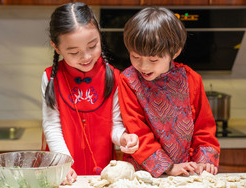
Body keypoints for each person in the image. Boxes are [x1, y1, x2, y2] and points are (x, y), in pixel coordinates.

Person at [41, 2, 139, 184]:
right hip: (64, 169)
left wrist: (124, 138)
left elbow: (114, 125)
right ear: (56, 47)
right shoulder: (50, 77)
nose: (86, 57)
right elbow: (52, 126)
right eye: (74, 52)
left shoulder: (113, 77)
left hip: (101, 168)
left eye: (92, 46)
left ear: (100, 36)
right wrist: (63, 164)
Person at [118, 7, 220, 178]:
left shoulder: (191, 79)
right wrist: (168, 167)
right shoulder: (128, 81)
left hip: (186, 170)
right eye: (135, 56)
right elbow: (137, 131)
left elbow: (204, 128)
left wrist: (205, 160)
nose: (143, 66)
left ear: (175, 52)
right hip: (141, 171)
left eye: (153, 59)